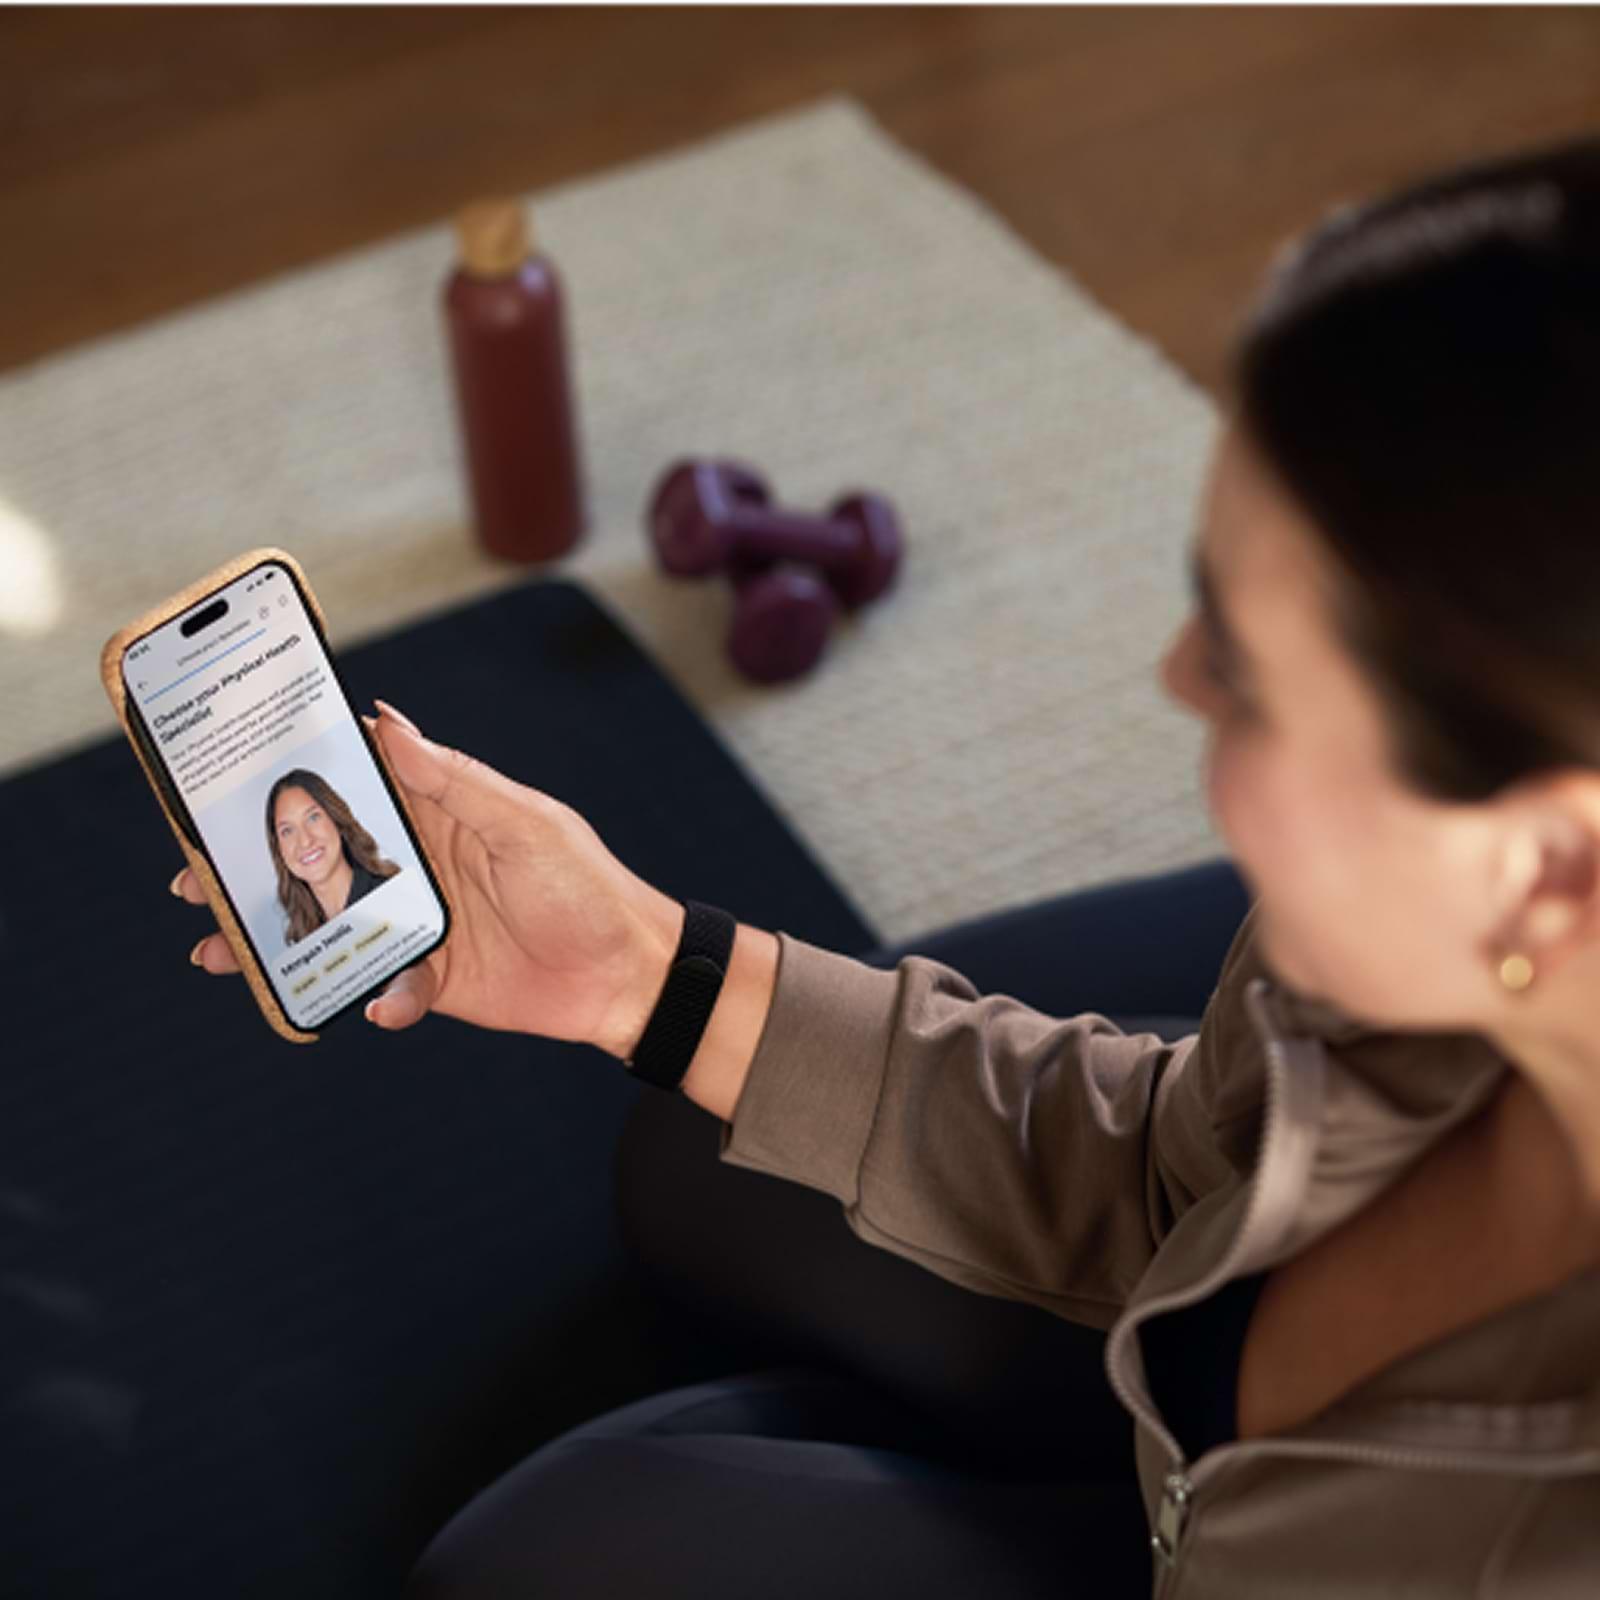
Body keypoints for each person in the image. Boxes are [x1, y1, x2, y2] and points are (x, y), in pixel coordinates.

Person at [171, 132, 1600, 1597]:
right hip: (1205, 1385)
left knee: (530, 1563)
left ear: (1542, 868)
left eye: (1240, 668)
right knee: (697, 1154)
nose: (1174, 675)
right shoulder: (1421, 951)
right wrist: (639, 972)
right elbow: (1183, 1180)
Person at [263, 766, 400, 948]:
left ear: (336, 819)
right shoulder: (304, 938)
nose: (304, 841)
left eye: (313, 818)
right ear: (278, 848)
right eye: (287, 831)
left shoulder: (393, 896)